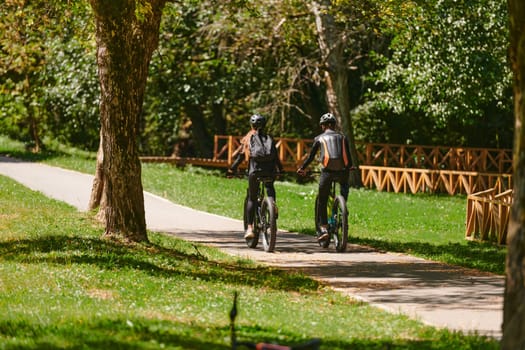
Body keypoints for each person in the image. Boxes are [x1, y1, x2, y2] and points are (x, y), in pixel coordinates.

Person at [297, 112, 353, 243]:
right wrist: (349, 166)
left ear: (323, 126)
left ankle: (323, 228)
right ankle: (343, 206)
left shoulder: (319, 138)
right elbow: (348, 157)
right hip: (342, 171)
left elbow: (311, 157)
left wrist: (302, 168)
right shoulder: (343, 137)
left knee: (322, 199)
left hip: (327, 172)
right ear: (334, 125)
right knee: (344, 185)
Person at [228, 114, 283, 239]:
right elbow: (276, 157)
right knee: (269, 185)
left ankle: (250, 228)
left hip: (255, 171)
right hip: (270, 171)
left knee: (252, 198)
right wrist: (281, 170)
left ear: (251, 125)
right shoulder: (269, 138)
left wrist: (232, 170)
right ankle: (272, 204)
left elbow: (241, 156)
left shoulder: (249, 138)